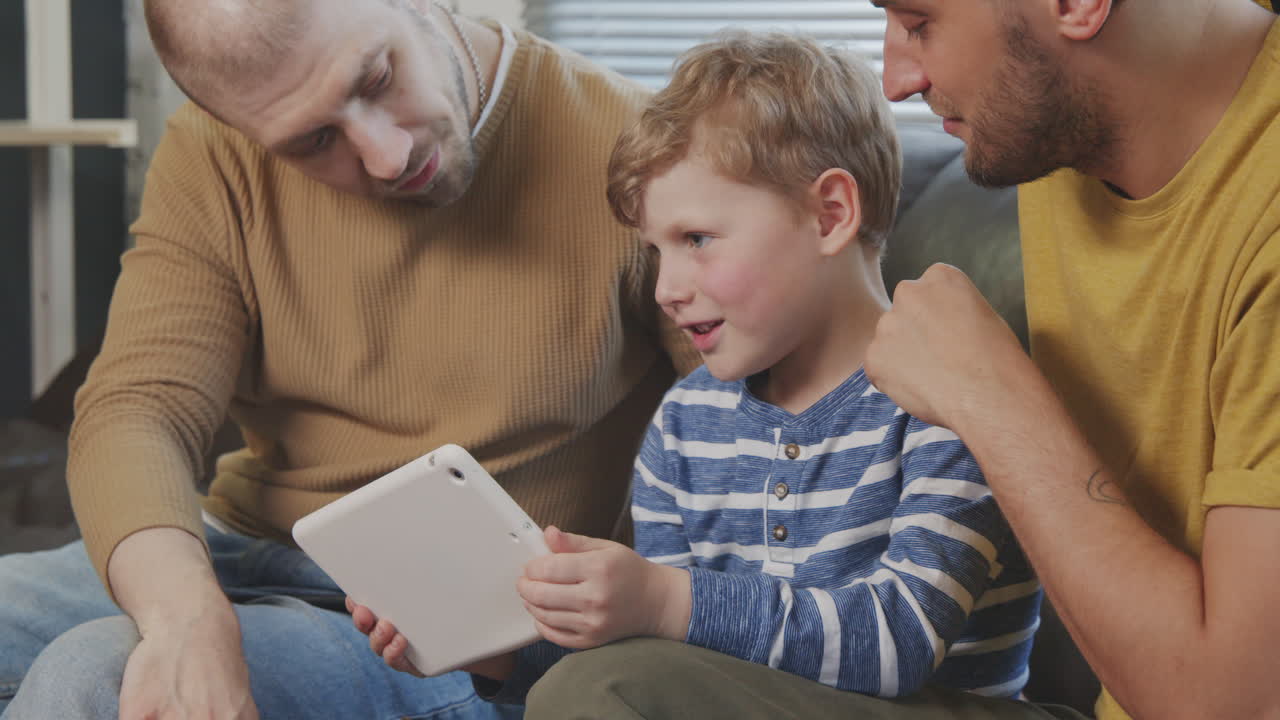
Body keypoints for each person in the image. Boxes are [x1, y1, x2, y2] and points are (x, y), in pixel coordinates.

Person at [524, 0, 1280, 719]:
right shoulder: (1051, 141)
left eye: (921, 20)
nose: (897, 83)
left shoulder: (937, 399)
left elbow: (898, 636)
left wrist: (988, 399)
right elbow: (683, 666)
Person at [0, 0, 699, 717]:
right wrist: (185, 617)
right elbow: (138, 409)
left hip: (454, 627)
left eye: (377, 76)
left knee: (94, 679)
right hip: (244, 547)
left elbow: (770, 435)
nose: (387, 156)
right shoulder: (215, 153)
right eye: (312, 143)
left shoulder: (636, 148)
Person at [358, 30, 1044, 713]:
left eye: (697, 240)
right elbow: (666, 673)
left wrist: (662, 599)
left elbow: (896, 642)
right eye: (657, 251)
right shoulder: (689, 422)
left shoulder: (946, 392)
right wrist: (496, 649)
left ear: (829, 214)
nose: (666, 288)